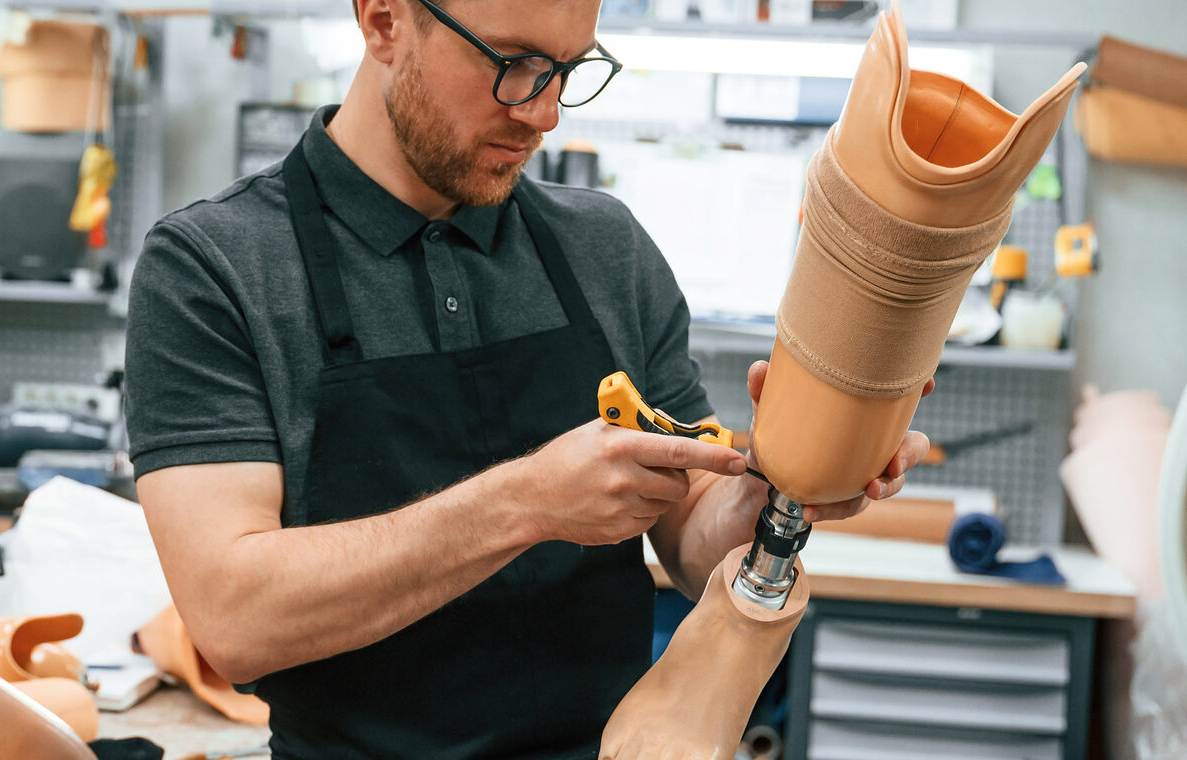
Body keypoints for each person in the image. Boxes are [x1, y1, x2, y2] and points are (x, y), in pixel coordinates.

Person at [125, 0, 931, 757]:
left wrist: (785, 481)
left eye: (569, 70)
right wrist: (530, 502)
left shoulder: (604, 248)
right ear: (383, 20)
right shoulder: (213, 267)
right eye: (512, 63)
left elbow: (692, 538)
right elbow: (234, 619)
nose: (543, 113)